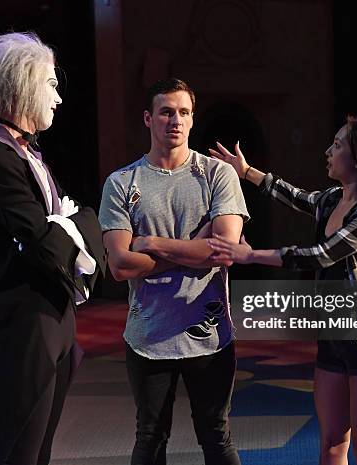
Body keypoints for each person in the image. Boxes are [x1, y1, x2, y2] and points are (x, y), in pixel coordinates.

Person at [208, 117, 357, 465]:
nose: (328, 152)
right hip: (334, 335)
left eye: (338, 145)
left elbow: (321, 255)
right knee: (331, 443)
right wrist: (247, 171)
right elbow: (296, 196)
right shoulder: (332, 199)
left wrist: (250, 254)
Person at [0, 32, 106, 465]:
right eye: (51, 84)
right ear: (20, 85)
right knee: (18, 455)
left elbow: (86, 225)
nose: (58, 98)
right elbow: (46, 243)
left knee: (38, 454)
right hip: (20, 330)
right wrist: (70, 223)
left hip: (55, 323)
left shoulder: (29, 155)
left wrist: (71, 224)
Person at [98, 78, 249, 465]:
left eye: (183, 112)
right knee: (149, 438)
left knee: (216, 436)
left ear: (193, 120)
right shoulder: (121, 182)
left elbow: (224, 252)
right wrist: (193, 249)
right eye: (166, 111)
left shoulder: (218, 175)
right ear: (149, 119)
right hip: (148, 334)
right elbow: (118, 266)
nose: (175, 120)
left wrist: (151, 243)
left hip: (210, 336)